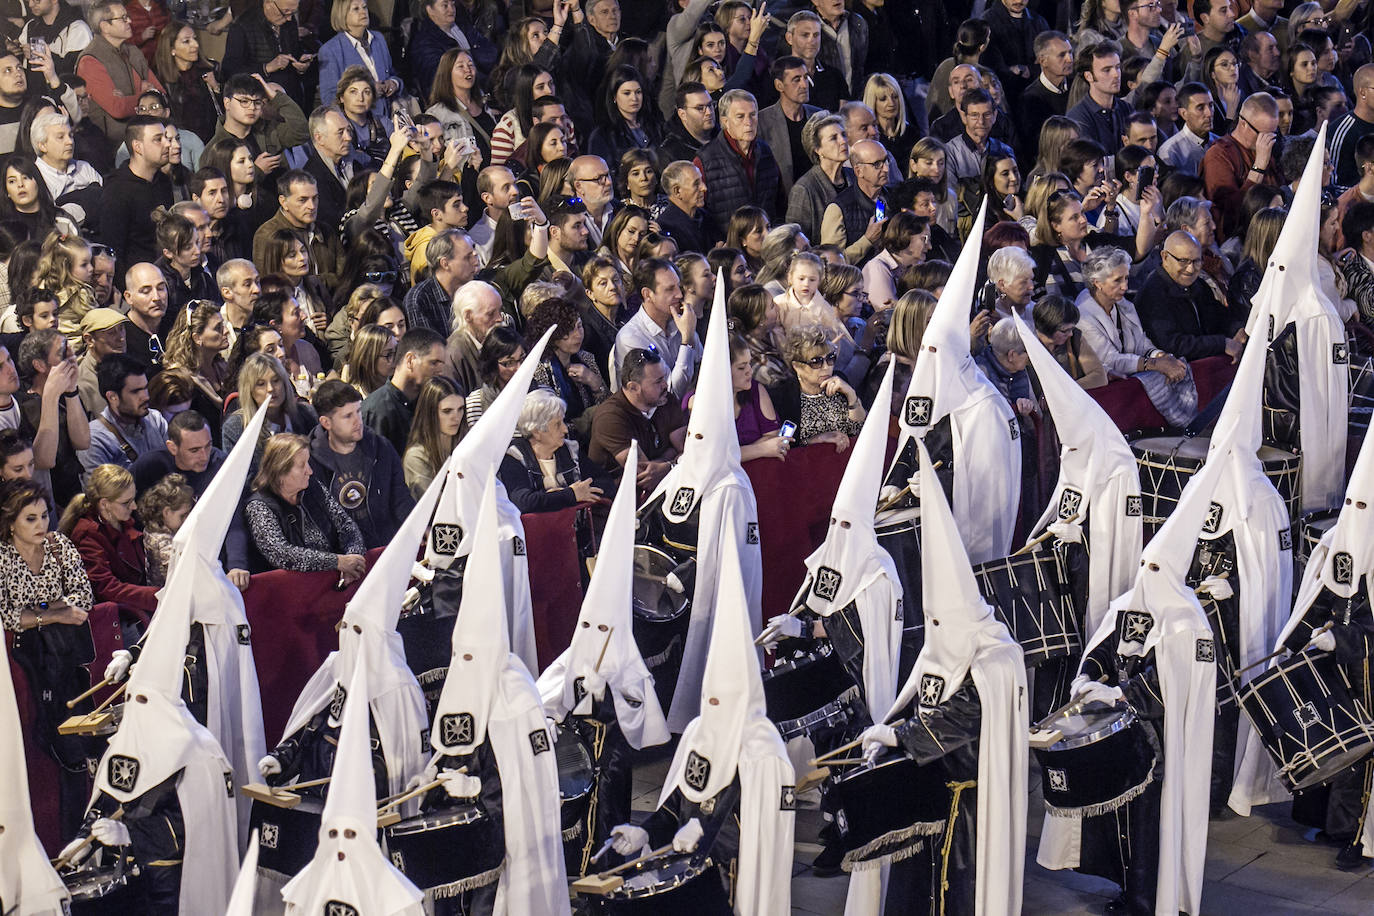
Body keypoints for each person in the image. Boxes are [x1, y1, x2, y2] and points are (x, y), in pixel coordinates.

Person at [0, 477, 94, 836]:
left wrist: (36, 611)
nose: (41, 524)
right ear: (11, 522)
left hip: (68, 658)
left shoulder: (59, 545)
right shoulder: (3, 557)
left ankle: (82, 828)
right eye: (30, 518)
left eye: (44, 516)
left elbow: (83, 598)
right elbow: (7, 615)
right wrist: (52, 611)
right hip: (23, 664)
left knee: (79, 739)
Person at [309, 379, 414, 549]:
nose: (357, 421)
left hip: (385, 547)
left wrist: (417, 527)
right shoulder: (310, 462)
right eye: (347, 416)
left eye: (358, 411)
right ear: (326, 422)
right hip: (342, 555)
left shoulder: (381, 448)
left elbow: (400, 498)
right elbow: (317, 522)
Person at [244, 431, 366, 576]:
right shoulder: (259, 506)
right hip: (291, 587)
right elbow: (281, 554)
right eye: (302, 465)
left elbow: (346, 526)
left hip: (334, 579)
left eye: (308, 462)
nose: (310, 471)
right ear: (280, 471)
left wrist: (353, 560)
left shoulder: (313, 488)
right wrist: (337, 562)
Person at [61, 462, 158, 616]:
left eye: (133, 499)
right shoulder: (87, 535)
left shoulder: (121, 521)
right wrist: (158, 596)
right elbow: (106, 588)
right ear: (104, 504)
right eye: (126, 503)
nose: (134, 506)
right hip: (120, 617)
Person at [498, 387, 610, 515]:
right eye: (557, 424)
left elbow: (605, 482)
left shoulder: (569, 449)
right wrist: (570, 495)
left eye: (563, 422)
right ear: (537, 431)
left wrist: (554, 497)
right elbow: (523, 502)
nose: (565, 429)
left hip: (576, 525)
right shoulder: (514, 456)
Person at [587, 346, 686, 490]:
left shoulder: (665, 400)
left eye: (664, 378)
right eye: (658, 381)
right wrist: (671, 459)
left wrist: (667, 466)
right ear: (633, 387)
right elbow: (644, 474)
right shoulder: (610, 417)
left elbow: (685, 448)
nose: (665, 385)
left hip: (665, 485)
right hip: (618, 495)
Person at [1138, 229, 1246, 361]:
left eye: (1197, 261)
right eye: (1183, 261)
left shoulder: (1198, 285)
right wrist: (1221, 344)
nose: (1191, 269)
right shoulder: (1152, 295)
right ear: (1165, 257)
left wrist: (1238, 329)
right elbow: (1172, 345)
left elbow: (1220, 316)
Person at [76, 1, 166, 142]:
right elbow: (118, 108)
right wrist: (145, 94)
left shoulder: (133, 52)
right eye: (123, 18)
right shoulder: (89, 61)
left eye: (127, 16)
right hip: (114, 144)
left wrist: (130, 97)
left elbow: (162, 94)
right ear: (105, 26)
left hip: (148, 134)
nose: (129, 21)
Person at [612, 257, 699, 399]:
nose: (679, 294)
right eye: (670, 289)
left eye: (678, 286)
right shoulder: (631, 338)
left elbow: (703, 368)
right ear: (647, 294)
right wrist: (687, 341)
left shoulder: (681, 321)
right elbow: (669, 395)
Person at [1201, 92, 1285, 237]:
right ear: (1243, 123)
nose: (1268, 140)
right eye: (1262, 134)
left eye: (1272, 134)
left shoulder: (1269, 147)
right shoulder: (1219, 155)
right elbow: (1229, 213)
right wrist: (1258, 167)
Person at [95, 115, 172, 264]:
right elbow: (113, 251)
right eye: (158, 139)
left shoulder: (163, 181)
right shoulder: (117, 192)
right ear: (137, 147)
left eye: (166, 138)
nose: (168, 144)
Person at [361, 326, 447, 457]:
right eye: (434, 363)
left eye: (442, 364)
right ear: (410, 360)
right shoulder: (376, 410)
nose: (440, 371)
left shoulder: (431, 401)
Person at [527, 297, 607, 435]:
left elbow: (609, 408)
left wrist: (594, 381)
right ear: (552, 335)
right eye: (568, 330)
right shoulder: (539, 371)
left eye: (579, 326)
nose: (578, 335)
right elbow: (547, 425)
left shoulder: (587, 358)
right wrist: (584, 422)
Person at [777, 324, 863, 451]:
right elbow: (782, 446)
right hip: (807, 462)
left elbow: (858, 431)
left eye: (830, 358)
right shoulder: (783, 396)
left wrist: (851, 395)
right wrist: (816, 440)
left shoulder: (840, 382)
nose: (826, 367)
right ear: (797, 366)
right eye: (816, 362)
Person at [81, 353, 168, 475]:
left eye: (145, 388)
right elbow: (99, 487)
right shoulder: (95, 439)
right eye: (136, 391)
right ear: (112, 397)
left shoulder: (156, 420)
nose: (146, 396)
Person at [222, 0, 315, 113]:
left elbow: (295, 51)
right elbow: (230, 71)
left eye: (293, 12)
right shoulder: (242, 27)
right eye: (285, 11)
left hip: (291, 99)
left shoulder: (288, 22)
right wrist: (266, 68)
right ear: (268, 3)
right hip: (261, 104)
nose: (289, 18)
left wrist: (301, 64)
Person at [221, 352, 318, 454]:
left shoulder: (307, 413)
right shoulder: (235, 427)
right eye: (261, 384)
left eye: (276, 381)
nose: (270, 388)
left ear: (285, 383)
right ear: (249, 391)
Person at [130, 408, 225, 497]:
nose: (204, 457)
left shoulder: (221, 464)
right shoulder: (149, 466)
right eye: (194, 450)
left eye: (208, 445)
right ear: (173, 448)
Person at [402, 375, 462, 498]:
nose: (456, 417)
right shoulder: (416, 457)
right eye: (447, 411)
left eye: (460, 409)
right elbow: (433, 502)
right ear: (430, 413)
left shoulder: (466, 443)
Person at [1030, 295, 1107, 390]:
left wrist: (1066, 390)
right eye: (1064, 331)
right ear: (1046, 328)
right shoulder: (1028, 347)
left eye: (1071, 329)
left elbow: (1099, 376)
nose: (1070, 334)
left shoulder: (1074, 338)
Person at [134, 471, 190, 586]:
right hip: (167, 592)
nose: (187, 519)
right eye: (183, 515)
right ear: (167, 512)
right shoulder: (162, 541)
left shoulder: (152, 527)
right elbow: (184, 570)